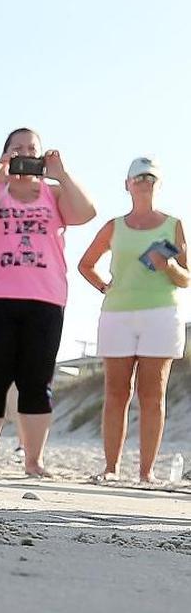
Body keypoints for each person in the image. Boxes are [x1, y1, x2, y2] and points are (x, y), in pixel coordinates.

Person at [0, 128, 96, 477]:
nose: (24, 154)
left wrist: (62, 175)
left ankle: (33, 460)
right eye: (16, 149)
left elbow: (85, 213)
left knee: (36, 380)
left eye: (31, 149)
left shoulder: (54, 194)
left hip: (44, 297)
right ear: (4, 153)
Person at [79, 157, 188, 483]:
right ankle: (111, 468)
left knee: (152, 396)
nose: (144, 181)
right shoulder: (115, 225)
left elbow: (186, 278)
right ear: (127, 184)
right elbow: (86, 264)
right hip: (117, 314)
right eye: (138, 177)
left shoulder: (174, 224)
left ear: (158, 183)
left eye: (150, 177)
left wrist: (167, 266)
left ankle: (146, 473)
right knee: (116, 393)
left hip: (160, 313)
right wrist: (104, 286)